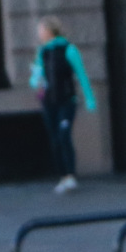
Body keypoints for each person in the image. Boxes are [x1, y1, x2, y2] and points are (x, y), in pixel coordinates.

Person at [30, 19, 95, 193]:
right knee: (55, 139)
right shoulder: (42, 52)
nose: (39, 34)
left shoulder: (69, 49)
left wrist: (89, 98)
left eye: (41, 30)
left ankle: (71, 175)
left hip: (66, 101)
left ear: (49, 31)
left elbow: (81, 75)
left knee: (64, 135)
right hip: (49, 101)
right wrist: (35, 78)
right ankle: (63, 176)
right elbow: (38, 76)